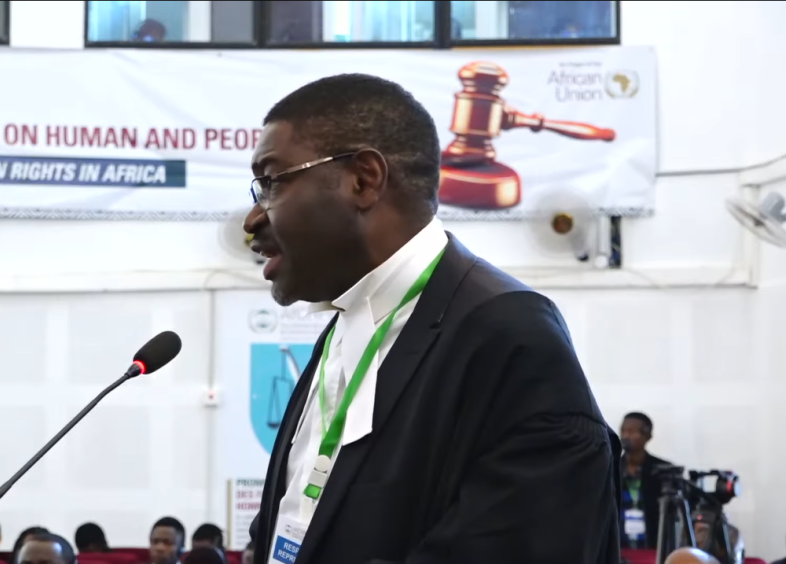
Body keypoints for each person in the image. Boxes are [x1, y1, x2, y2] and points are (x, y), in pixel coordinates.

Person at [244, 73, 620, 564]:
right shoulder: (343, 327)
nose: (252, 220)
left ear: (363, 180)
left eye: (272, 182)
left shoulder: (510, 337)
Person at [620, 411, 670, 549]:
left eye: (631, 431)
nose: (625, 436)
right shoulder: (611, 468)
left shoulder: (662, 471)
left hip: (654, 548)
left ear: (647, 436)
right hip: (619, 549)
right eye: (623, 430)